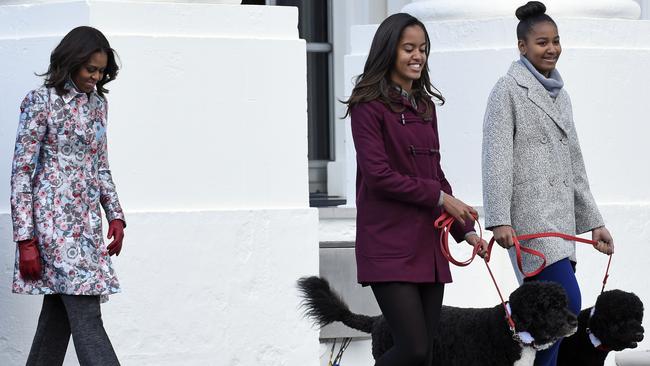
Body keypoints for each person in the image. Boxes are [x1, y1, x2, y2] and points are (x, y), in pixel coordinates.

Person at [345, 13, 488, 366]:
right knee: (414, 349)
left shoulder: (424, 105)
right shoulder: (367, 104)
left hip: (428, 245)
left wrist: (466, 231)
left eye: (423, 49)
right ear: (388, 51)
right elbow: (378, 175)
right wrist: (442, 199)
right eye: (408, 48)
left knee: (425, 356)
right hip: (388, 244)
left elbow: (434, 173)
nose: (417, 56)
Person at [482, 2, 614, 365]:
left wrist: (595, 222)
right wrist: (498, 217)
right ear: (522, 47)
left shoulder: (562, 95)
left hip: (562, 223)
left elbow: (575, 162)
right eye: (542, 42)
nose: (551, 48)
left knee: (549, 323)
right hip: (529, 222)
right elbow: (496, 157)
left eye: (556, 40)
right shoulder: (507, 89)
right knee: (565, 304)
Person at [10, 26, 126, 366]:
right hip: (53, 231)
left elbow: (100, 165)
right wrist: (25, 238)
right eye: (90, 69)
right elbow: (21, 172)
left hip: (86, 228)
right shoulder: (40, 101)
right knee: (87, 316)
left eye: (101, 71)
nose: (96, 76)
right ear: (71, 61)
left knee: (56, 324)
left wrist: (115, 215)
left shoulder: (97, 105)